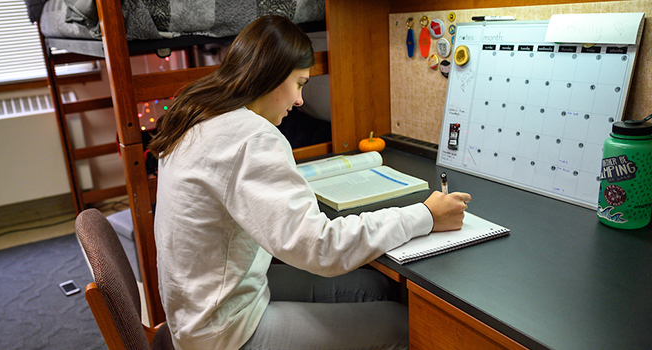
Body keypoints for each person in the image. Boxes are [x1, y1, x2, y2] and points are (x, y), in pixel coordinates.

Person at [148, 15, 471, 350]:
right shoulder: (251, 136)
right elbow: (323, 249)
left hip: (198, 308)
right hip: (223, 333)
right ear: (272, 77)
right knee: (401, 327)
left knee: (372, 286)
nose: (300, 100)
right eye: (299, 83)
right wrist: (427, 215)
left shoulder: (197, 114)